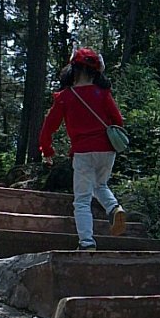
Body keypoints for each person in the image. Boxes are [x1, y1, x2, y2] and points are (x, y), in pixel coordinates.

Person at [39, 47, 127, 250]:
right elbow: (118, 121)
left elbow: (48, 127)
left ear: (73, 69)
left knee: (82, 200)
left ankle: (87, 244)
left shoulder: (64, 97)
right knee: (100, 185)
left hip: (83, 152)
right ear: (96, 71)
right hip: (107, 149)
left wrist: (47, 150)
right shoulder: (102, 94)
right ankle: (114, 208)